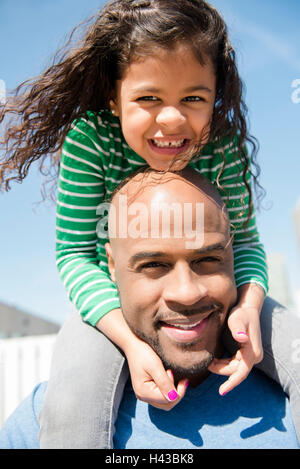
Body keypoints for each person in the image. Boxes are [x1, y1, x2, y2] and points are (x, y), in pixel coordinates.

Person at [0, 0, 300, 449]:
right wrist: (129, 341)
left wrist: (249, 305)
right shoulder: (91, 140)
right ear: (114, 98)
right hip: (108, 306)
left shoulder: (221, 144)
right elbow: (75, 253)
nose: (172, 118)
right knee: (71, 403)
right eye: (148, 98)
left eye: (194, 98)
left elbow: (249, 245)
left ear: (215, 96)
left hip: (233, 294)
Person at [0, 168, 299, 449]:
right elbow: (71, 254)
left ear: (232, 255)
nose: (187, 292)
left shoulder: (290, 407)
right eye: (154, 265)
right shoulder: (41, 425)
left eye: (208, 259)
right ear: (113, 268)